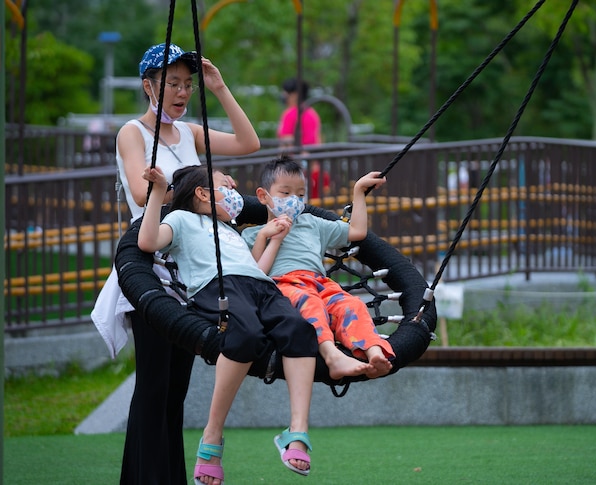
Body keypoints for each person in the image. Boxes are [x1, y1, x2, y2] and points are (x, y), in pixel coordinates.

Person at [91, 42, 260, 485]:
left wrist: (219, 88)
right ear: (148, 86)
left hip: (189, 267)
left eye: (188, 84)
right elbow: (143, 192)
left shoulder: (190, 134)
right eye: (172, 84)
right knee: (153, 384)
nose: (182, 93)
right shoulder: (133, 132)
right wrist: (198, 193)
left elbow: (248, 142)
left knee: (175, 390)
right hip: (151, 265)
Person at [140, 165, 317, 484]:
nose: (235, 192)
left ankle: (297, 431)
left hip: (261, 286)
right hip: (218, 286)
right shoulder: (181, 220)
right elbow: (148, 241)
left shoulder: (231, 230)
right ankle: (212, 437)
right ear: (203, 193)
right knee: (245, 334)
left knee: (300, 330)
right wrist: (156, 195)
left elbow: (256, 268)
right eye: (227, 186)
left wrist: (273, 240)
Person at [241, 156, 394, 380]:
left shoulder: (312, 223)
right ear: (264, 196)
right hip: (283, 286)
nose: (294, 199)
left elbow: (357, 232)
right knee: (310, 304)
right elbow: (254, 275)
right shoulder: (253, 234)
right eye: (285, 193)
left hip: (320, 283)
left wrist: (359, 192)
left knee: (352, 305)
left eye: (300, 195)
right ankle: (332, 356)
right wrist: (268, 236)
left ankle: (373, 352)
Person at [277, 78, 330, 198]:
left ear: (294, 95)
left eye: (286, 93)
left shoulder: (290, 114)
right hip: (315, 168)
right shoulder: (312, 113)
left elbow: (285, 142)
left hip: (297, 170)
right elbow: (318, 139)